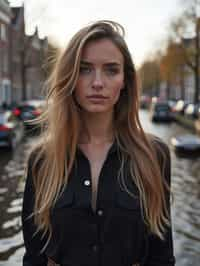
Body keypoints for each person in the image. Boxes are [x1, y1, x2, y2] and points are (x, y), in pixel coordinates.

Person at [22, 20, 175, 266]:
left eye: (111, 70)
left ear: (125, 80)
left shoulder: (154, 155)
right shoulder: (42, 160)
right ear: (70, 77)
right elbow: (34, 257)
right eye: (84, 69)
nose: (97, 83)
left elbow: (161, 256)